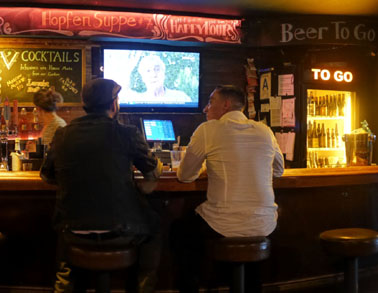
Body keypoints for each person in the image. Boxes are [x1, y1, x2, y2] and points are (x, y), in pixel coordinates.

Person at [40, 78, 161, 293]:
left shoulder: (62, 134)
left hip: (73, 230)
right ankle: (141, 287)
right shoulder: (128, 133)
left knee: (64, 235)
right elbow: (152, 174)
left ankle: (65, 282)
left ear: (85, 105)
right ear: (114, 104)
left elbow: (47, 176)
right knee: (157, 225)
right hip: (122, 229)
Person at [172, 85, 284, 293]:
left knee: (179, 230)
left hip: (223, 224)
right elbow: (279, 171)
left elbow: (185, 176)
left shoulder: (208, 130)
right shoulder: (265, 130)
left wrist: (207, 165)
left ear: (225, 105)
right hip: (265, 224)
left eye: (210, 102)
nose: (206, 109)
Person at [123, 54, 191, 104]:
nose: (154, 75)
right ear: (143, 77)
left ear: (164, 73)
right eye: (148, 71)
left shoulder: (181, 98)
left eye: (157, 69)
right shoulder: (136, 101)